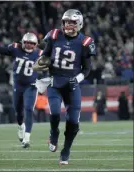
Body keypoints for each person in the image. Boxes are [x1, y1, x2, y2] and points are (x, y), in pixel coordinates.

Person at [33, 9, 96, 165]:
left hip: (72, 84)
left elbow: (87, 69)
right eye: (66, 22)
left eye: (72, 22)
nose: (68, 25)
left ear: (79, 24)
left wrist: (78, 78)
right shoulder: (54, 36)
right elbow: (45, 54)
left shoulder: (84, 42)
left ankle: (66, 151)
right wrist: (42, 60)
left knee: (73, 122)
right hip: (55, 81)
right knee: (54, 112)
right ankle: (54, 133)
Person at [0, 27, 47, 148]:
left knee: (29, 109)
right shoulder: (15, 48)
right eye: (27, 43)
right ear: (22, 42)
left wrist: (42, 81)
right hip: (18, 85)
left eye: (32, 43)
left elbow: (47, 69)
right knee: (19, 111)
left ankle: (27, 138)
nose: (29, 46)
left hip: (31, 85)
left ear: (36, 45)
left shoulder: (39, 54)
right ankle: (20, 127)